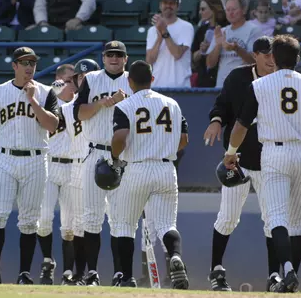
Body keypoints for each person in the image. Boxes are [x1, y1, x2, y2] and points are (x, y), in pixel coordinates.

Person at [223, 34, 301, 292]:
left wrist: (231, 152)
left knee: (276, 217)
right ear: (298, 58)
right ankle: (290, 279)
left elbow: (241, 125)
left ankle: (286, 268)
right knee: (299, 221)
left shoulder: (261, 85)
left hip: (274, 153)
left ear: (273, 57)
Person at [203, 36, 287, 292]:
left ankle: (274, 275)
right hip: (237, 159)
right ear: (255, 56)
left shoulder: (285, 79)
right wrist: (216, 120)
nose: (271, 59)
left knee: (272, 219)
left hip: (270, 159)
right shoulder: (238, 77)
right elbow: (222, 105)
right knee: (227, 217)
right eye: (266, 54)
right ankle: (216, 270)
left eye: (274, 54)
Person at [0, 47, 60, 284]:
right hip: (6, 157)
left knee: (29, 220)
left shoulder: (46, 92)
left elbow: (52, 125)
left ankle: (24, 273)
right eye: (24, 62)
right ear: (14, 66)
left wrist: (32, 100)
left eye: (33, 62)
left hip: (36, 158)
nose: (29, 67)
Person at [109, 60, 189, 288]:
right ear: (152, 80)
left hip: (137, 167)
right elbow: (184, 139)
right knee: (166, 224)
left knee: (125, 225)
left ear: (129, 81)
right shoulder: (172, 103)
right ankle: (175, 256)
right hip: (166, 168)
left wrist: (114, 158)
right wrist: (164, 150)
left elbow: (120, 138)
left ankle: (127, 278)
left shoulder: (125, 105)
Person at [73, 41, 130, 286]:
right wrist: (102, 103)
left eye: (119, 55)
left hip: (125, 155)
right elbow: (79, 113)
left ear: (125, 59)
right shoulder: (92, 79)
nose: (114, 59)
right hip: (96, 150)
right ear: (103, 57)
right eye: (110, 55)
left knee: (120, 217)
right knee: (91, 217)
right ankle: (92, 273)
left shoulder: (132, 80)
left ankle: (120, 273)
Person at [36, 61, 99, 286]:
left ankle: (69, 273)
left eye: (77, 79)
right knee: (42, 220)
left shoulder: (81, 103)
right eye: (71, 79)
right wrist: (55, 89)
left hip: (75, 166)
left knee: (70, 226)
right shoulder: (49, 100)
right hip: (50, 164)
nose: (74, 84)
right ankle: (47, 261)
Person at [206, 0, 262, 87]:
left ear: (243, 10)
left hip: (243, 87)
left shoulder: (254, 30)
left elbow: (255, 61)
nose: (230, 13)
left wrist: (236, 49)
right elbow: (209, 64)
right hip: (222, 88)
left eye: (234, 9)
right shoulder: (221, 32)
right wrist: (218, 45)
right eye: (228, 10)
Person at [146, 0, 195, 88]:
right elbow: (149, 60)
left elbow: (177, 54)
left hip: (181, 87)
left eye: (172, 3)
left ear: (177, 6)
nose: (168, 6)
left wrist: (164, 31)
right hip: (157, 86)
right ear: (160, 5)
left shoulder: (187, 27)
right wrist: (159, 38)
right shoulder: (152, 30)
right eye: (165, 2)